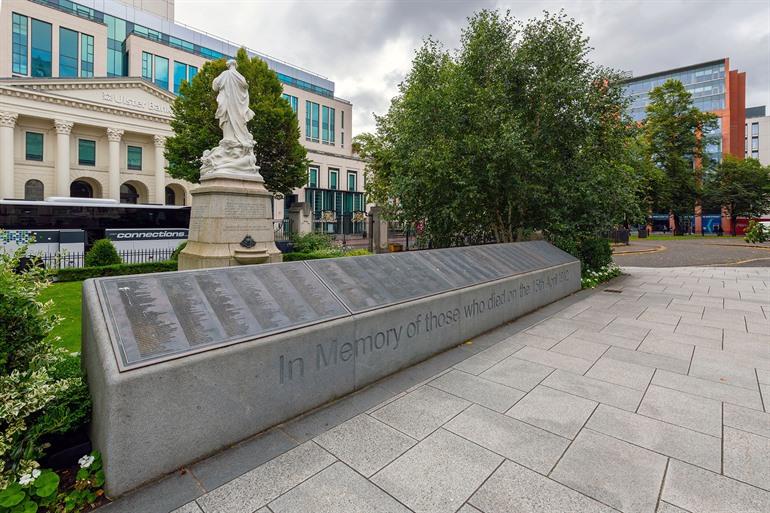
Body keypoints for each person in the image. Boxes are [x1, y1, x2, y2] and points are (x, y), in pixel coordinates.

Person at [212, 59, 255, 147]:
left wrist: (215, 80)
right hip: (238, 106)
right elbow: (245, 89)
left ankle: (229, 138)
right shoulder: (241, 77)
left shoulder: (225, 74)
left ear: (228, 65)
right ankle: (233, 139)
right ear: (236, 65)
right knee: (236, 119)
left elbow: (215, 87)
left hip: (227, 102)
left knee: (227, 118)